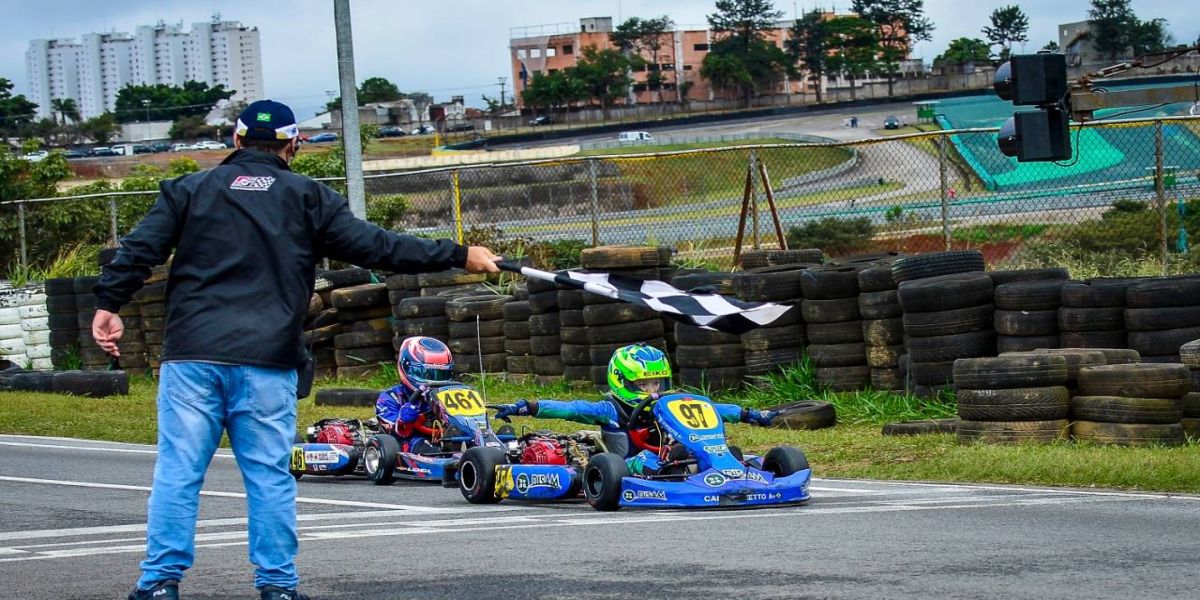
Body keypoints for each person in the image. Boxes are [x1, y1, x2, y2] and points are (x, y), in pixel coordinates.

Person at [92, 99, 501, 600]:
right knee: (268, 476)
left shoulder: (189, 190)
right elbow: (378, 247)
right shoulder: (309, 197)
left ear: (236, 140)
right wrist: (458, 254)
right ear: (294, 145)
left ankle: (159, 584)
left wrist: (108, 303)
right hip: (267, 359)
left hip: (193, 355)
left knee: (178, 473)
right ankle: (278, 588)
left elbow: (138, 251)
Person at [492, 343, 779, 471]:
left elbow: (715, 409)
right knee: (648, 461)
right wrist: (528, 406)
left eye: (656, 383)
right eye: (643, 384)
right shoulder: (610, 409)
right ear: (623, 381)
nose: (652, 390)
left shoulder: (668, 404)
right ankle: (681, 467)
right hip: (627, 464)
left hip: (674, 456)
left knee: (733, 454)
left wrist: (750, 415)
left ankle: (721, 464)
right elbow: (569, 408)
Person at [375, 336, 456, 454]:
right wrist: (404, 420)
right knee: (421, 445)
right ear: (406, 367)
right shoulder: (390, 398)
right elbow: (394, 432)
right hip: (406, 442)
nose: (433, 381)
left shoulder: (449, 396)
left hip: (445, 437)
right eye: (426, 374)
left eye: (440, 375)